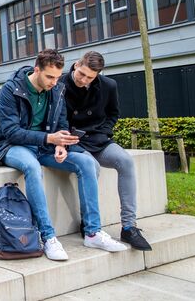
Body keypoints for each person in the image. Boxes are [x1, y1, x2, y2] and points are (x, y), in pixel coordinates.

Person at [0, 49, 127, 261]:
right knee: (32, 167)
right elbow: (10, 131)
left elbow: (62, 122)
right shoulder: (11, 89)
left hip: (46, 147)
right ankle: (48, 237)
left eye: (57, 77)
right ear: (37, 70)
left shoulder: (57, 89)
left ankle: (92, 232)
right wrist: (49, 139)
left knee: (86, 162)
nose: (54, 82)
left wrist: (61, 145)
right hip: (14, 146)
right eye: (49, 77)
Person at [61, 51, 152, 251]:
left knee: (126, 162)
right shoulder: (59, 86)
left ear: (98, 75)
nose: (83, 80)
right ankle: (88, 224)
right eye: (81, 74)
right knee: (91, 166)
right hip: (72, 141)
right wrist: (66, 137)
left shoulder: (109, 86)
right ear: (76, 65)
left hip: (99, 139)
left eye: (90, 77)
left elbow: (113, 113)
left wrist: (103, 131)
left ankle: (129, 227)